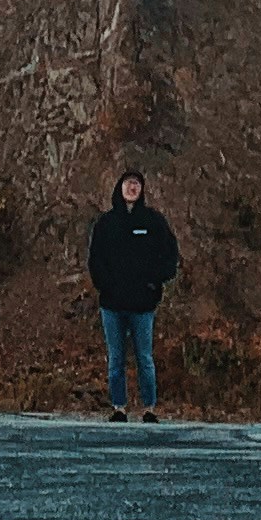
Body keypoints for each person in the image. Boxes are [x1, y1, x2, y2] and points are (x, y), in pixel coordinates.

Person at [86, 169, 181, 420]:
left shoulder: (153, 222)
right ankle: (119, 407)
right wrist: (105, 285)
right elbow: (95, 259)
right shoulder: (106, 223)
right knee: (116, 359)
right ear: (120, 187)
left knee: (144, 359)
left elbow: (170, 255)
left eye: (137, 184)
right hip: (112, 304)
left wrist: (154, 283)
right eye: (128, 184)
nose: (132, 188)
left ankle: (149, 408)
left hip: (142, 305)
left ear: (142, 189)